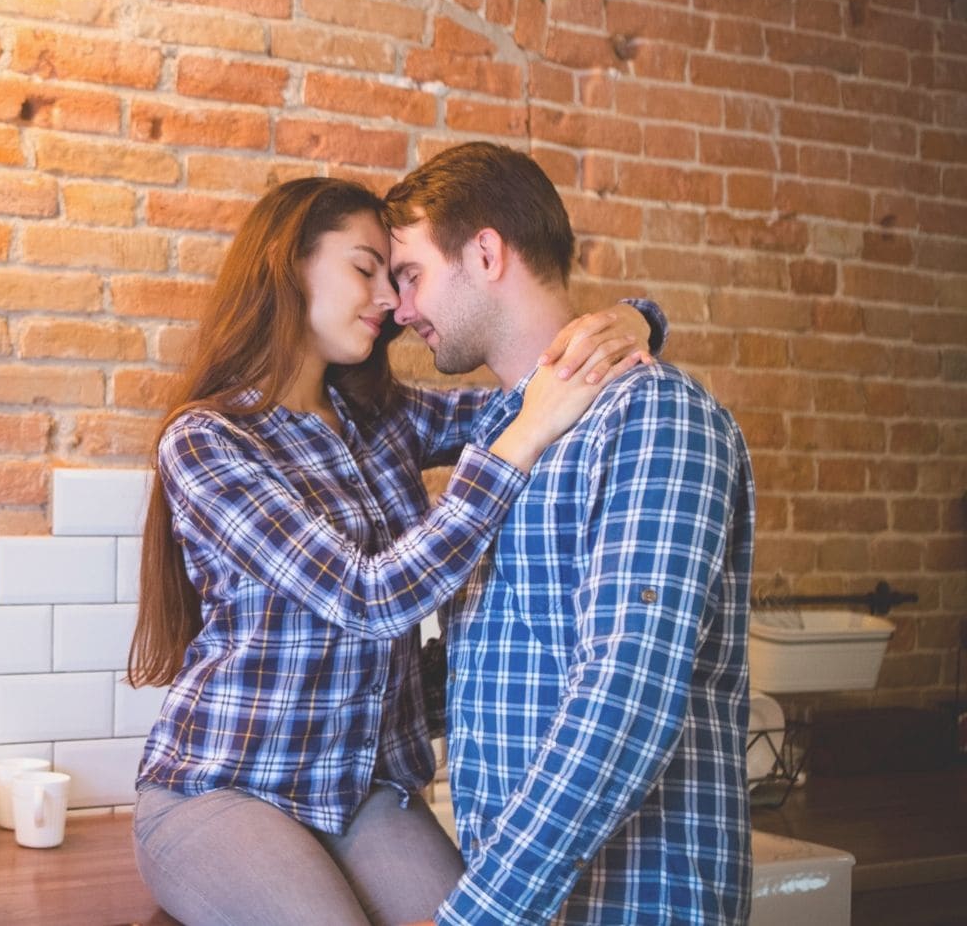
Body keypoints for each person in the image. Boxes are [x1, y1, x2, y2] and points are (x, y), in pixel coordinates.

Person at [126, 176, 662, 926]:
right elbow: (368, 597)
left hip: (363, 795)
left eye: (395, 273)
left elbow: (533, 395)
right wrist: (516, 448)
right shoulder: (210, 440)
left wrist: (628, 323)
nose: (391, 301)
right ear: (289, 264)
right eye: (363, 268)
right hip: (223, 788)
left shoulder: (383, 419)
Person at [384, 142, 754, 925]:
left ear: (486, 252)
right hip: (527, 899)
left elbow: (624, 700)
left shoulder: (656, 420)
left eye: (410, 274)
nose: (401, 308)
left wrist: (478, 913)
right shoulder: (498, 437)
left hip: (637, 904)